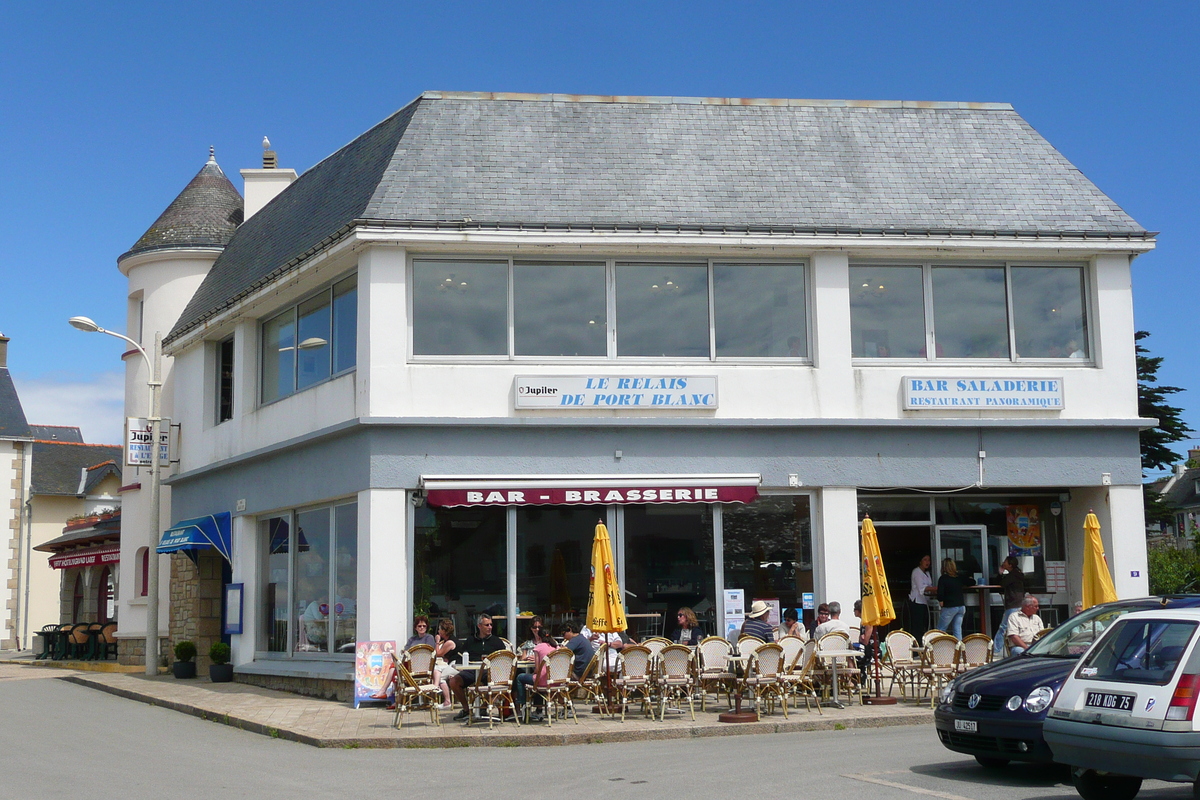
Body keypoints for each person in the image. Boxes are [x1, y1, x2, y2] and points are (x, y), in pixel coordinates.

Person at [447, 613, 504, 721]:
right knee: (454, 682)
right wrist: (458, 667)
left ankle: (483, 707)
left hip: (489, 672)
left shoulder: (497, 642)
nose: (490, 627)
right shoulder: (470, 640)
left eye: (491, 625)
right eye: (487, 625)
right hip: (472, 670)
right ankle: (466, 709)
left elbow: (502, 658)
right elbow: (460, 655)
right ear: (479, 626)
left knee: (499, 682)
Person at [513, 629, 557, 721]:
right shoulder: (557, 648)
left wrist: (533, 674)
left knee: (520, 677)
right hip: (555, 680)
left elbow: (537, 669)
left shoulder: (538, 647)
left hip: (542, 680)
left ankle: (523, 704)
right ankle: (538, 709)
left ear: (539, 637)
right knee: (535, 680)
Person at [991, 556, 1026, 656]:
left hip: (1013, 603)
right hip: (1018, 602)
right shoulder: (1018, 574)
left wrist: (1000, 573)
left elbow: (1001, 583)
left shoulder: (1012, 575)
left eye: (1005, 561)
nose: (1003, 562)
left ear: (1010, 564)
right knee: (1014, 626)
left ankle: (996, 650)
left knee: (1004, 627)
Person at [936, 558, 975, 640]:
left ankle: (938, 649)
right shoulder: (959, 577)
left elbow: (940, 593)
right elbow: (972, 582)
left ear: (943, 567)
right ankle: (959, 650)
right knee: (957, 629)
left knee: (941, 630)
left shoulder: (943, 578)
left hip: (950, 606)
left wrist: (941, 601)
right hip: (961, 606)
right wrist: (970, 578)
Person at [433, 618, 458, 709]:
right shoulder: (449, 641)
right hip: (452, 664)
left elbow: (438, 654)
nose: (438, 631)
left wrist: (437, 642)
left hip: (457, 665)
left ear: (444, 631)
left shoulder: (450, 642)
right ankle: (436, 687)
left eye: (440, 629)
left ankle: (447, 701)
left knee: (441, 678)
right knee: (437, 669)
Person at [908, 555, 935, 639]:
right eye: (925, 560)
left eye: (929, 560)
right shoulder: (916, 572)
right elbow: (921, 588)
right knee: (917, 627)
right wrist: (938, 588)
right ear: (920, 561)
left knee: (925, 625)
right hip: (917, 602)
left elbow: (929, 586)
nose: (927, 562)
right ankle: (916, 647)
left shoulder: (927, 573)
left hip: (925, 602)